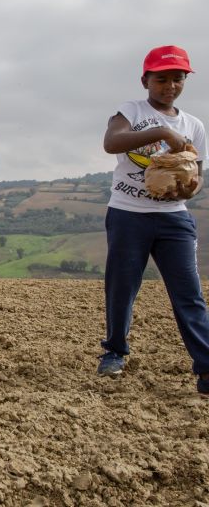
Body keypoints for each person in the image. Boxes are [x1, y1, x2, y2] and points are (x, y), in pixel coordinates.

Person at [99, 45, 209, 395]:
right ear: (145, 79)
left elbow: (199, 175)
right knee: (122, 289)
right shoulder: (131, 111)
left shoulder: (194, 125)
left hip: (174, 219)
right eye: (161, 79)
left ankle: (206, 367)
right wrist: (162, 133)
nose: (170, 86)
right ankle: (115, 351)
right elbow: (112, 142)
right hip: (128, 214)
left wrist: (184, 190)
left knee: (188, 295)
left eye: (178, 79)